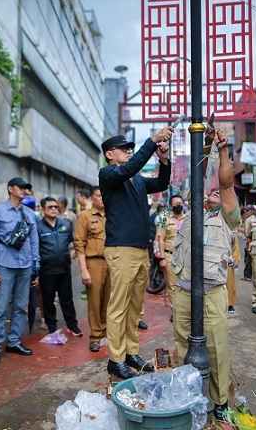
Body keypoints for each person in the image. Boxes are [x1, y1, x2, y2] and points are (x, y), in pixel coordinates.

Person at [171, 128, 240, 422]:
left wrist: (222, 150)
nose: (210, 192)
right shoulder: (190, 214)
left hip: (211, 294)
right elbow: (198, 179)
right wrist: (206, 144)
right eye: (206, 192)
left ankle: (220, 402)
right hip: (184, 292)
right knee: (183, 347)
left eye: (214, 193)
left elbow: (226, 185)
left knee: (216, 350)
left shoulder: (227, 216)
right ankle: (190, 398)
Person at [99, 127, 172, 380]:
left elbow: (162, 183)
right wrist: (151, 142)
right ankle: (115, 359)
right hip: (121, 249)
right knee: (118, 306)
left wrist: (163, 161)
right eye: (124, 149)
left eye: (131, 149)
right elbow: (129, 169)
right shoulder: (108, 174)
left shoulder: (137, 181)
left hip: (141, 250)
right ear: (110, 154)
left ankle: (130, 353)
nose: (129, 152)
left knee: (134, 306)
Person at [0, 177, 40, 368]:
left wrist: (36, 267)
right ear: (10, 189)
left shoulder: (29, 213)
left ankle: (14, 342)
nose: (24, 190)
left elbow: (34, 241)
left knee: (20, 307)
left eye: (26, 188)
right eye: (21, 187)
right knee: (0, 308)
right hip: (3, 265)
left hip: (25, 265)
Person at [36, 196, 81, 336]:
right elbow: (35, 249)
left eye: (55, 206)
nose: (54, 209)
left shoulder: (65, 224)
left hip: (64, 269)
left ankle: (72, 325)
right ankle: (52, 327)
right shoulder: (38, 227)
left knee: (67, 299)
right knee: (48, 301)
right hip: (46, 271)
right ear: (43, 210)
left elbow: (70, 242)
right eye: (50, 207)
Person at [74, 186, 110, 352]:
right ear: (92, 198)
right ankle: (96, 336)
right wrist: (83, 269)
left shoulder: (112, 214)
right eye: (99, 195)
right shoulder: (85, 217)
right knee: (95, 301)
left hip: (112, 262)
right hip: (94, 262)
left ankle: (106, 333)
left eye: (104, 195)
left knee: (109, 300)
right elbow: (79, 245)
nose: (102, 198)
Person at [156, 195, 186, 322]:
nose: (178, 205)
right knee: (172, 286)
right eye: (175, 203)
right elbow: (160, 239)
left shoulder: (189, 218)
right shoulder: (164, 218)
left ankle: (185, 311)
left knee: (185, 286)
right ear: (170, 206)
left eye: (180, 202)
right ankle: (176, 312)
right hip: (170, 256)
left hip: (186, 257)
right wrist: (162, 258)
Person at [241, 204, 255, 281]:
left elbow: (248, 234)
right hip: (254, 242)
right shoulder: (255, 219)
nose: (246, 212)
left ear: (252, 211)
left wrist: (247, 245)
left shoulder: (249, 220)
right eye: (245, 210)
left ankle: (247, 275)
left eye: (248, 210)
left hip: (249, 242)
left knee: (248, 259)